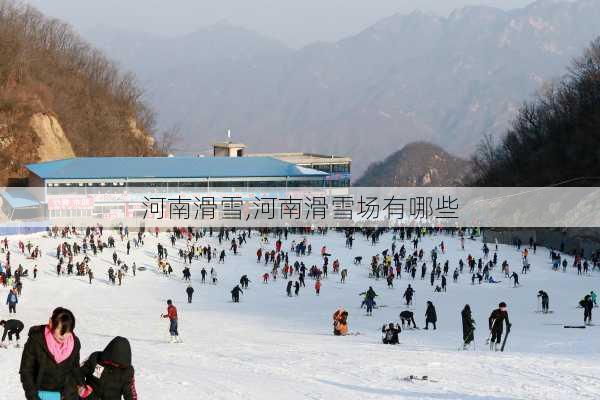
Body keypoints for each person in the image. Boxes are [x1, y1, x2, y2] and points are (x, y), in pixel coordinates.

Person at [19, 307, 84, 400]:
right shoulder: (36, 340)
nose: (64, 336)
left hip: (66, 394)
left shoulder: (75, 343)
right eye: (61, 330)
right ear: (51, 323)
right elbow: (26, 370)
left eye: (68, 331)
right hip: (40, 393)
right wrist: (32, 396)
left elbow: (75, 367)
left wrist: (81, 384)